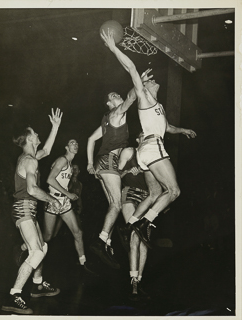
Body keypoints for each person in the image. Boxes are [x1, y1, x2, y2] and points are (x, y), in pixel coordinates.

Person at [101, 30, 197, 249]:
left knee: (154, 193)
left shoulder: (158, 108)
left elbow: (168, 127)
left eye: (153, 81)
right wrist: (114, 48)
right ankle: (145, 223)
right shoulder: (144, 98)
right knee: (173, 191)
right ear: (145, 89)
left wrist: (182, 130)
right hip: (152, 148)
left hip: (146, 151)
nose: (154, 81)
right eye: (150, 81)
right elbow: (132, 69)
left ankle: (130, 224)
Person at [87, 70, 152, 269]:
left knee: (112, 205)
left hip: (103, 162)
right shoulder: (116, 113)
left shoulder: (106, 121)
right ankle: (101, 241)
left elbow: (90, 139)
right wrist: (138, 81)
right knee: (116, 204)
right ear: (109, 104)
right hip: (108, 161)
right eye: (113, 96)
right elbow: (132, 97)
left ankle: (106, 242)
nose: (117, 96)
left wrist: (90, 164)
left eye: (117, 94)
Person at [1, 108, 63, 315]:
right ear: (29, 138)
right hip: (23, 209)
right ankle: (13, 294)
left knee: (42, 247)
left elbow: (45, 151)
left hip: (28, 209)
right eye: (35, 133)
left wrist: (55, 127)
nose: (38, 135)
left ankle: (37, 284)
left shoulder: (30, 157)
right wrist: (52, 199)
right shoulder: (29, 161)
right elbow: (31, 189)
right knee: (36, 251)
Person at [118, 133, 163, 300]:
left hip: (147, 198)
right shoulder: (129, 152)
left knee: (144, 242)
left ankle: (139, 280)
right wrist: (129, 170)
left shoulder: (154, 158)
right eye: (143, 136)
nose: (147, 138)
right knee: (134, 237)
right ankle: (133, 282)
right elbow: (116, 176)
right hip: (129, 193)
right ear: (138, 140)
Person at [43, 140, 96, 275]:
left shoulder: (70, 165)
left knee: (78, 232)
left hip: (64, 201)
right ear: (66, 147)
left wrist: (68, 195)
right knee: (48, 236)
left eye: (77, 143)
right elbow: (50, 179)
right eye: (72, 143)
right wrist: (69, 194)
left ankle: (83, 263)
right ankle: (25, 247)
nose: (76, 144)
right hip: (53, 200)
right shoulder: (62, 160)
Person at [68, 164, 83, 229]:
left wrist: (80, 207)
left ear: (79, 171)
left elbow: (79, 197)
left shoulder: (80, 184)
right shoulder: (67, 182)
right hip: (66, 207)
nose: (75, 171)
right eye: (73, 169)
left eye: (76, 169)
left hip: (74, 208)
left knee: (78, 226)